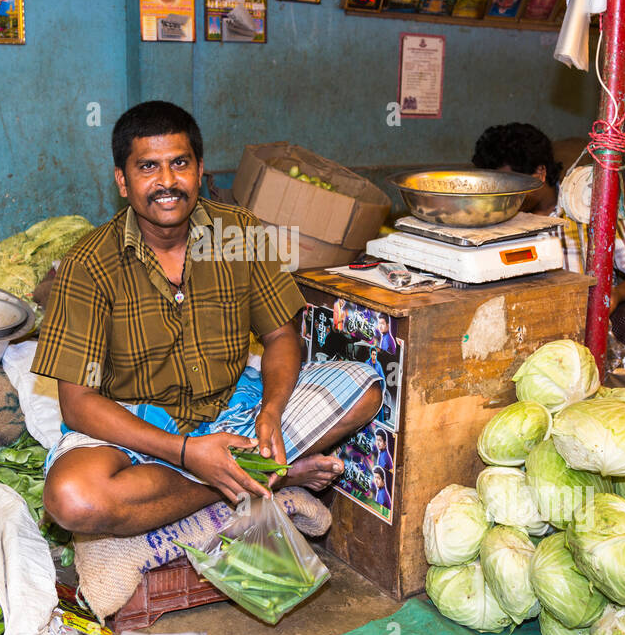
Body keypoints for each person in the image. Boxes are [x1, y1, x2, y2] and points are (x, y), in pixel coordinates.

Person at [32, 102, 384, 537]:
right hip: (139, 430)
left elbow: (279, 335)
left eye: (179, 163)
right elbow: (79, 401)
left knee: (364, 388)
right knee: (74, 498)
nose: (167, 182)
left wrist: (271, 412)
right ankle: (255, 480)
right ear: (122, 181)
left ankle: (232, 472)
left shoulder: (239, 234)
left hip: (234, 410)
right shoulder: (88, 264)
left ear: (200, 170)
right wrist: (187, 452)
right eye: (148, 167)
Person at [471, 122, 625, 393]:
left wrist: (615, 295)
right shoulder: (490, 215)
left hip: (594, 319)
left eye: (510, 186)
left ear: (539, 173)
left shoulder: (589, 203)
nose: (501, 197)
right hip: (524, 330)